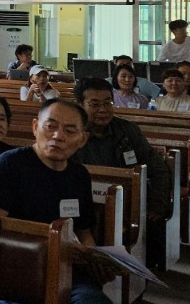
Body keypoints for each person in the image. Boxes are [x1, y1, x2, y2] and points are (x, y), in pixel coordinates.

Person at [0, 99, 123, 304]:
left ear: (83, 139)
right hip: (18, 275)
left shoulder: (78, 175)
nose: (58, 136)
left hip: (69, 274)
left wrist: (94, 258)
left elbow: (83, 230)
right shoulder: (10, 165)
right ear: (35, 127)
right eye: (51, 127)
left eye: (70, 131)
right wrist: (55, 249)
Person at [73, 78, 172, 223]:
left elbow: (158, 169)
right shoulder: (71, 133)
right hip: (83, 205)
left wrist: (157, 206)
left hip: (129, 204)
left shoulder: (127, 130)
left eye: (108, 103)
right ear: (80, 105)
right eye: (95, 104)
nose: (103, 109)